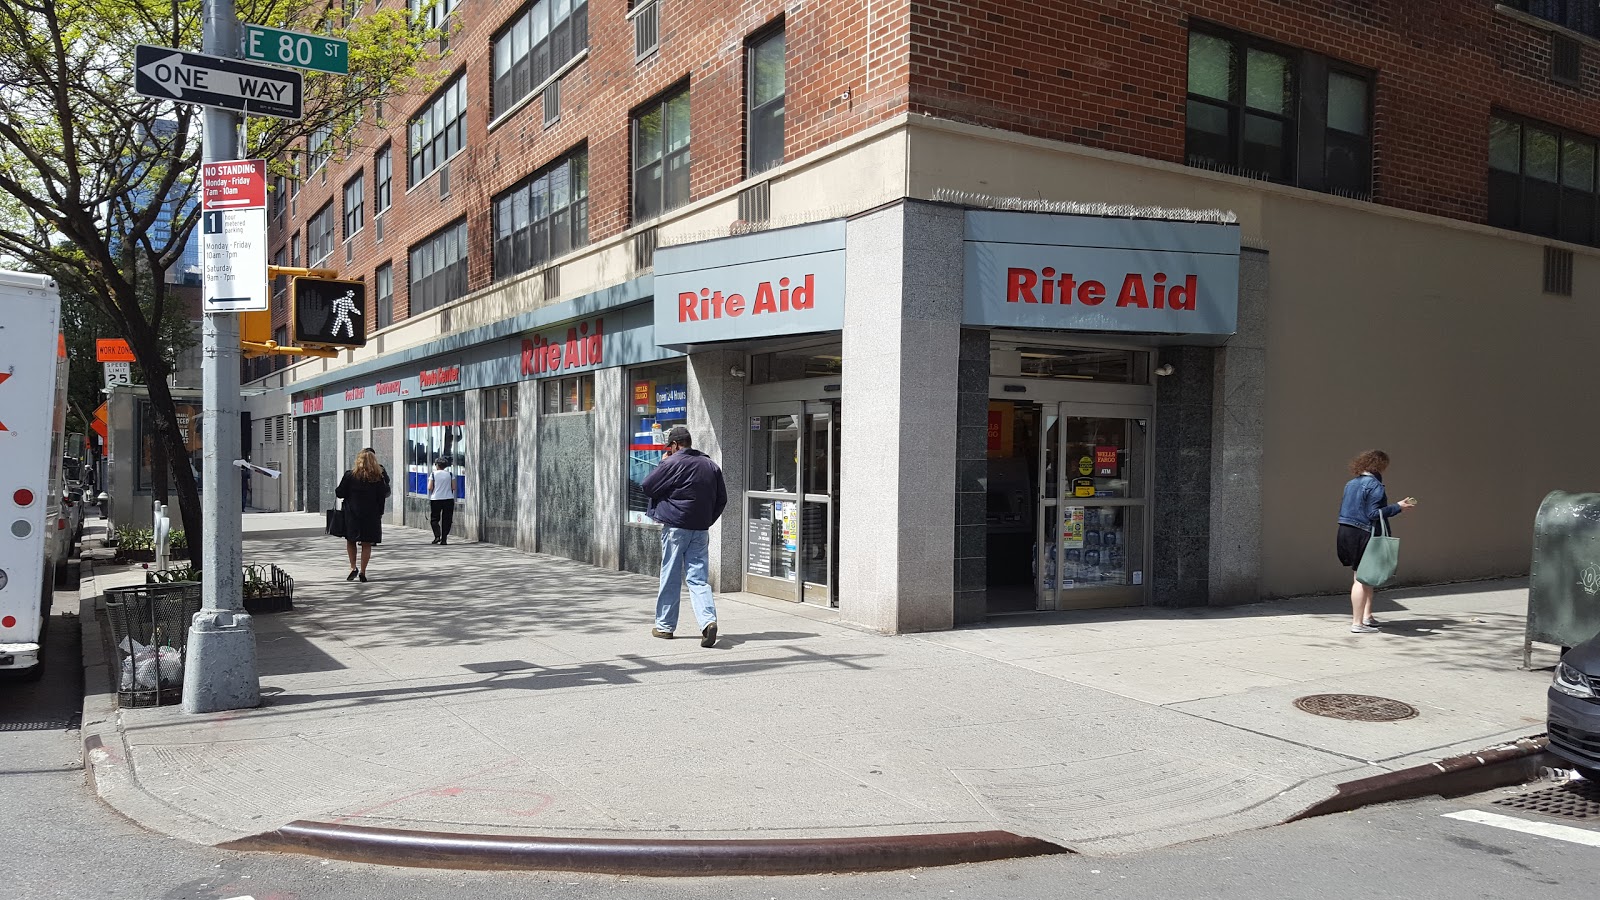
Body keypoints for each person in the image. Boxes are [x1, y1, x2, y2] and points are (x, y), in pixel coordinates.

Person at [640, 425, 728, 647]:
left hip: (676, 528)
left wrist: (663, 462)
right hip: (700, 529)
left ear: (675, 445)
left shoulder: (672, 462)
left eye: (670, 446)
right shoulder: (710, 465)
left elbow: (648, 486)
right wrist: (706, 520)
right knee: (698, 579)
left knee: (670, 574)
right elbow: (721, 499)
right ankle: (708, 622)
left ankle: (664, 627)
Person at [1336, 450, 1417, 634]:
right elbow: (1372, 514)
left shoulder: (1351, 484)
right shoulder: (1375, 485)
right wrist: (1398, 507)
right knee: (1361, 579)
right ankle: (1357, 623)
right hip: (1364, 532)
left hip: (1346, 530)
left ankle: (1367, 616)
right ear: (1379, 465)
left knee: (1367, 576)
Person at [336, 448, 391, 583]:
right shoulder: (378, 478)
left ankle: (352, 567)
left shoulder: (350, 475)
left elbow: (339, 493)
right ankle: (363, 571)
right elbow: (382, 497)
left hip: (352, 514)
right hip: (371, 515)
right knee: (367, 543)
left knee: (351, 540)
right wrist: (380, 513)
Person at [427, 458, 457, 545]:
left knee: (434, 519)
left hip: (436, 499)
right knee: (447, 519)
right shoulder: (450, 474)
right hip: (448, 499)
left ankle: (437, 536)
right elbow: (454, 487)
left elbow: (430, 487)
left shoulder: (433, 474)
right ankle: (444, 539)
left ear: (437, 465)